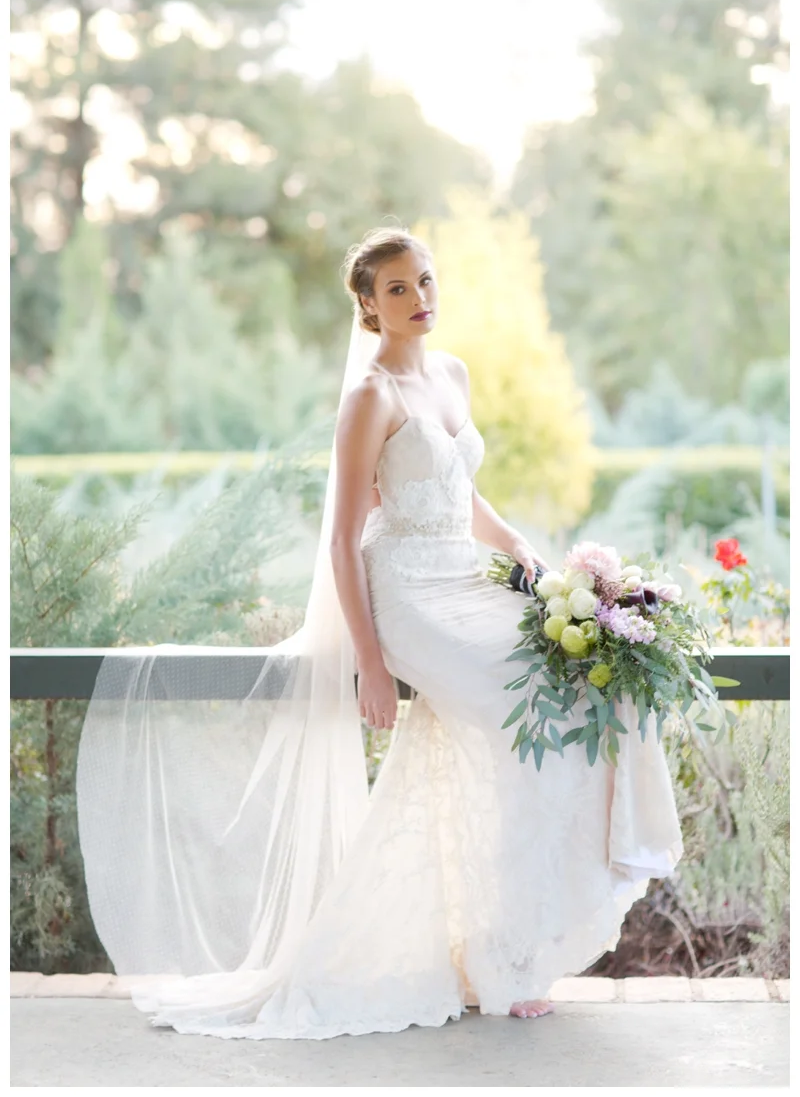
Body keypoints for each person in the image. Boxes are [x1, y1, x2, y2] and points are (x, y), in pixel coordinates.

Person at [76, 224, 683, 1040]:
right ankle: (503, 960)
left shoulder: (452, 373)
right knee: (522, 720)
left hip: (465, 577)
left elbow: (458, 488)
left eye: (425, 280)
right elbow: (339, 537)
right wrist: (368, 658)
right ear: (369, 305)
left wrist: (516, 544)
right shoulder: (370, 397)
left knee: (581, 681)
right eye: (398, 288)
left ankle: (510, 938)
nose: (420, 297)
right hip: (405, 594)